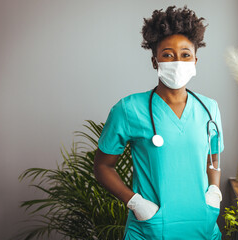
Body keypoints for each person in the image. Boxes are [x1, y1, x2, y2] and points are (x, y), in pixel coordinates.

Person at [93, 5, 224, 240]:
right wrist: (135, 202)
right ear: (155, 61)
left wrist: (214, 191)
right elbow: (102, 167)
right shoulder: (129, 109)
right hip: (149, 229)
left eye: (185, 54)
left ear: (195, 60)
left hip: (203, 227)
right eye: (167, 54)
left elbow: (213, 157)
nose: (177, 61)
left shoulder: (209, 108)